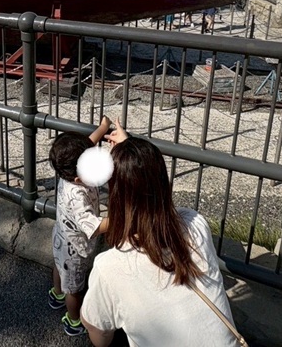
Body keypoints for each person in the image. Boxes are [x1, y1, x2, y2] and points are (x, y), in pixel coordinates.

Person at [80, 128, 241, 346]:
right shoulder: (196, 225)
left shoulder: (109, 267)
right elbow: (154, 203)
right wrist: (136, 157)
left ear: (116, 196)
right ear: (163, 182)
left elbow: (100, 337)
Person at [47, 115, 113, 336]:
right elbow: (92, 226)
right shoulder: (77, 195)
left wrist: (103, 127)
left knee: (59, 266)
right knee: (74, 289)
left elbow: (88, 144)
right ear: (78, 178)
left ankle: (57, 293)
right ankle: (74, 320)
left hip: (62, 237)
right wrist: (122, 220)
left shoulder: (68, 171)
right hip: (76, 250)